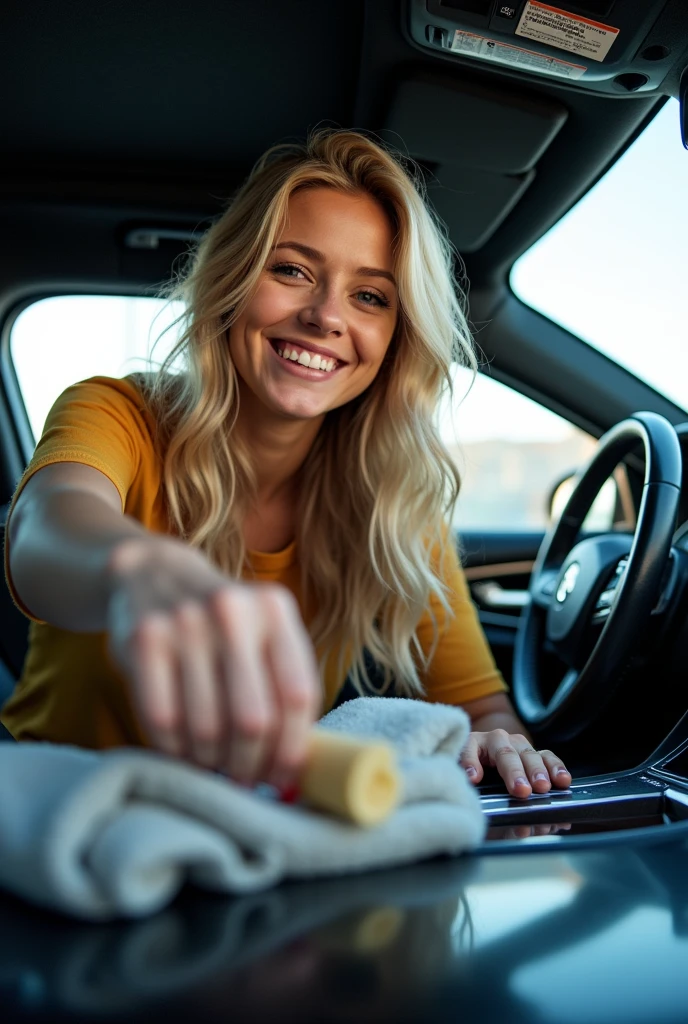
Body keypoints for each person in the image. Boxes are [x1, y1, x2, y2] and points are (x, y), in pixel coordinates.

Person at [1, 129, 571, 799]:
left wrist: (493, 746)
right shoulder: (117, 412)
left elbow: (482, 713)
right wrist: (138, 570)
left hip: (256, 846)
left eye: (371, 297)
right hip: (58, 821)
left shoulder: (393, 502)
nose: (325, 315)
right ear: (233, 282)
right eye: (292, 269)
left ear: (395, 339)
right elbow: (44, 530)